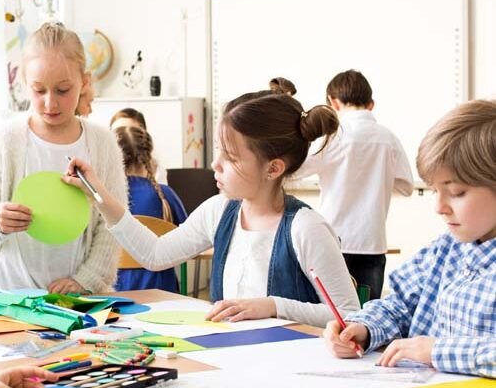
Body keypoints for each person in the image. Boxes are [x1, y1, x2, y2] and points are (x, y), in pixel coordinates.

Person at [63, 93, 361, 327]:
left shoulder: (305, 228)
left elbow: (349, 315)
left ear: (273, 169)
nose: (215, 164)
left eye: (230, 157)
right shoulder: (219, 211)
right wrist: (99, 193)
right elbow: (155, 255)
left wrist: (273, 306)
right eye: (219, 151)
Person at [323, 99, 496, 378]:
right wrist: (363, 328)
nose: (439, 207)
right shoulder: (444, 250)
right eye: (434, 191)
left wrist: (437, 350)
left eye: (456, 192)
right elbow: (400, 305)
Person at [0, 22, 127, 294]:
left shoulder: (102, 143)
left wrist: (86, 280)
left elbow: (112, 225)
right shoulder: (5, 140)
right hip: (11, 300)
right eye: (39, 90)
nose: (50, 103)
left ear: (84, 82)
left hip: (79, 301)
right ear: (25, 83)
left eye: (63, 90)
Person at [295, 69, 414, 300]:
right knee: (368, 312)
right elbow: (406, 186)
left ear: (332, 101)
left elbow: (294, 171)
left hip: (333, 238)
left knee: (329, 310)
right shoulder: (388, 138)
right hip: (372, 241)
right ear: (371, 104)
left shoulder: (333, 137)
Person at [114, 125, 188, 292]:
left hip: (112, 293)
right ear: (148, 157)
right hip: (162, 292)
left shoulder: (104, 200)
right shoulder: (164, 195)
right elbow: (189, 237)